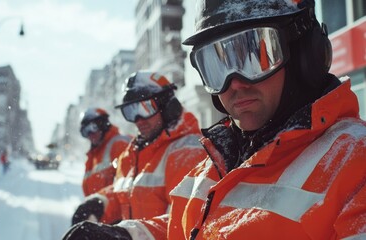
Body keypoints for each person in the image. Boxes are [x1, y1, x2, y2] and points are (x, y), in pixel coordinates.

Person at [160, 0, 365, 239]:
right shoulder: (218, 161)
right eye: (217, 65)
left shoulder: (355, 164)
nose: (235, 83)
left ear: (305, 54)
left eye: (254, 56)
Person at [63, 71, 208, 239]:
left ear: (168, 106)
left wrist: (129, 234)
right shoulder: (133, 152)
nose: (138, 119)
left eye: (145, 108)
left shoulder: (187, 151)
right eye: (130, 111)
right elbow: (125, 194)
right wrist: (100, 203)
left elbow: (186, 223)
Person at [78, 108, 131, 197]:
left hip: (113, 209)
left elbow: (126, 185)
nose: (90, 134)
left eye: (93, 128)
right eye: (85, 131)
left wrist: (101, 201)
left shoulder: (119, 145)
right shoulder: (93, 155)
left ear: (103, 125)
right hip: (99, 208)